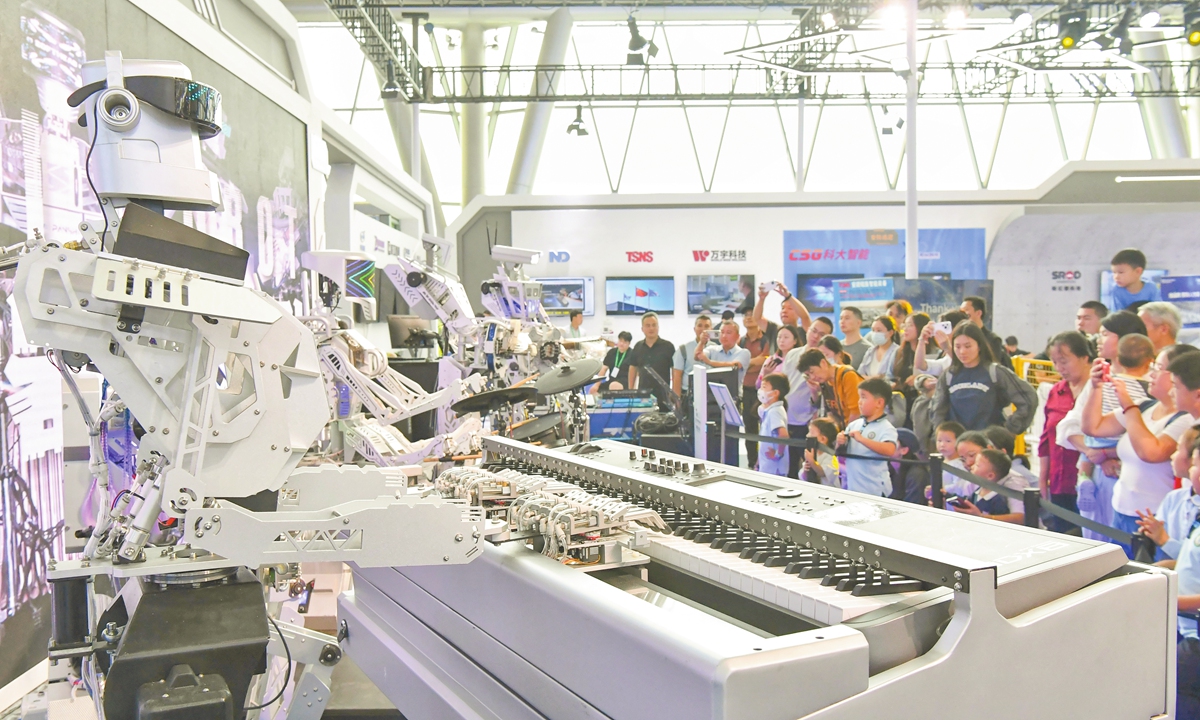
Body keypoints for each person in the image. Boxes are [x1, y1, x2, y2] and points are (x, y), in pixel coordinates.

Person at [1083, 342, 1197, 558]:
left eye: (1159, 368)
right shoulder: (1145, 406)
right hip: (1123, 509)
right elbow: (1092, 427)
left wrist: (1128, 406)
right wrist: (1096, 387)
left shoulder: (1185, 420)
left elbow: (1151, 452)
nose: (1152, 374)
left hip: (1155, 514)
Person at [1056, 313, 1151, 543]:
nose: (1099, 339)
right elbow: (1071, 427)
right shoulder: (1099, 378)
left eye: (1106, 334)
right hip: (1099, 471)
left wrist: (1110, 453)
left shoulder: (1150, 381)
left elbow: (1144, 432)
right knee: (1095, 538)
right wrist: (1093, 454)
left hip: (1128, 474)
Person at [1139, 434, 1200, 719]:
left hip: (1195, 632)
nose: (1190, 470)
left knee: (1175, 689)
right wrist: (1168, 566)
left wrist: (1175, 601)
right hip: (1185, 626)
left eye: (1195, 464)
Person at [931, 321, 1037, 433]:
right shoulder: (948, 376)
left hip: (989, 444)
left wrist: (1009, 431)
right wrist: (942, 436)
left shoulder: (995, 372)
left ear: (979, 346)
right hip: (957, 445)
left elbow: (1029, 398)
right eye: (957, 346)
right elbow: (937, 411)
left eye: (968, 346)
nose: (962, 351)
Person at [1039, 331, 1092, 533]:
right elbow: (1046, 436)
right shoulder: (1056, 391)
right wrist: (1043, 476)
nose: (1059, 368)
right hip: (1060, 480)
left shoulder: (1099, 390)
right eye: (1054, 362)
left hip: (1088, 480)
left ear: (1084, 357)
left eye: (1064, 361)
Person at [1136, 425, 1200, 561]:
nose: (1172, 456)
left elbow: (1194, 560)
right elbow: (1159, 527)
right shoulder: (1174, 498)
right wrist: (1151, 529)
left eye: (1177, 450)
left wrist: (1164, 540)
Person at [837, 376, 898, 497]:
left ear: (879, 403)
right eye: (859, 397)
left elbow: (890, 450)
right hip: (853, 488)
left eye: (864, 397)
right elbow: (841, 458)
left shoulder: (886, 427)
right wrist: (840, 442)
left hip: (875, 490)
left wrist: (862, 440)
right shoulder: (854, 425)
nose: (859, 401)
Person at [740, 310, 777, 468]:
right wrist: (754, 363)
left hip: (764, 392)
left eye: (751, 314)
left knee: (766, 428)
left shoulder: (767, 339)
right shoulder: (741, 341)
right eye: (745, 315)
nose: (748, 317)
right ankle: (751, 462)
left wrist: (747, 363)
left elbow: (766, 361)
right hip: (746, 390)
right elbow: (738, 362)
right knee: (749, 429)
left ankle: (765, 462)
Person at [952, 448, 1029, 524]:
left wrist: (980, 516)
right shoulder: (978, 491)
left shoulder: (998, 500)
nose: (971, 466)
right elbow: (967, 502)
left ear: (990, 476)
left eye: (977, 465)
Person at [797, 348, 863, 428]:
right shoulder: (825, 383)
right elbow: (831, 414)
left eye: (812, 372)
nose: (812, 377)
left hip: (857, 429)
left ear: (823, 363)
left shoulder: (848, 375)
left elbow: (856, 412)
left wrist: (846, 434)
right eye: (808, 375)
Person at [626, 312, 676, 408]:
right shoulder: (638, 347)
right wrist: (631, 390)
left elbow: (674, 370)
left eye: (654, 325)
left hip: (663, 396)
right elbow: (632, 368)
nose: (651, 328)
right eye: (648, 325)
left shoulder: (668, 346)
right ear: (642, 329)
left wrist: (672, 391)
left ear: (658, 327)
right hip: (643, 395)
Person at [915, 310, 969, 379]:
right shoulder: (946, 360)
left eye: (945, 328)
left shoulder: (972, 350)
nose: (941, 332)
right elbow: (920, 365)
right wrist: (921, 340)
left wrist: (947, 348)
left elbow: (963, 364)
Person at [697, 320, 752, 385]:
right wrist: (701, 342)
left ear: (737, 336)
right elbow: (697, 356)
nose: (724, 336)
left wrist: (709, 362)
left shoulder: (744, 352)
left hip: (733, 393)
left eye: (728, 333)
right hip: (711, 391)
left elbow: (734, 366)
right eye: (722, 332)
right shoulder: (712, 349)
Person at [756, 373, 791, 477]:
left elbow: (783, 435)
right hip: (767, 466)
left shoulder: (775, 411)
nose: (761, 390)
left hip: (775, 468)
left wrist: (777, 454)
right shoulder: (769, 410)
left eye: (764, 387)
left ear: (775, 393)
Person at [672, 315, 715, 398]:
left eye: (706, 326)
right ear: (694, 329)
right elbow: (677, 376)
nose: (703, 329)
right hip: (688, 395)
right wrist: (677, 401)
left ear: (711, 329)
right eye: (699, 326)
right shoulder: (683, 349)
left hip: (710, 394)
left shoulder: (716, 348)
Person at [960, 295, 1009, 365]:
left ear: (978, 313)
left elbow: (992, 365)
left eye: (966, 312)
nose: (962, 316)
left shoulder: (992, 339)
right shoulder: (959, 337)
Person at [894, 312, 932, 402]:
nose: (905, 329)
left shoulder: (935, 353)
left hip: (925, 400)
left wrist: (918, 379)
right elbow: (890, 376)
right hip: (902, 401)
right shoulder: (899, 352)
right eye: (905, 325)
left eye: (910, 325)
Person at [891, 428, 929, 504]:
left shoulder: (917, 475)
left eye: (891, 442)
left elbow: (913, 504)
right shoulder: (886, 468)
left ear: (904, 450)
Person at [858, 315, 900, 380]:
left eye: (879, 330)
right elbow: (859, 375)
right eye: (873, 330)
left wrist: (868, 378)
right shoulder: (870, 352)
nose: (875, 333)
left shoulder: (897, 351)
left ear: (890, 333)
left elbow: (890, 378)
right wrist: (875, 378)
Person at [803, 418, 842, 487]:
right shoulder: (814, 454)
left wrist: (812, 461)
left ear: (823, 439)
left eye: (811, 433)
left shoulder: (831, 457)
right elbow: (803, 477)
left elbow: (823, 473)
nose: (807, 435)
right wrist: (805, 470)